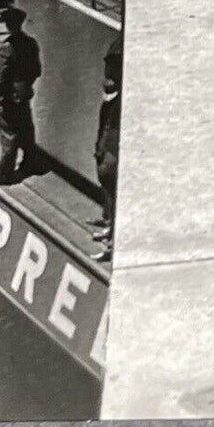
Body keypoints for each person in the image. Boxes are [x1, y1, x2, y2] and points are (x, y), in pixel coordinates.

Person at [0, 5, 43, 185]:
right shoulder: (31, 43)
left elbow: (0, 77)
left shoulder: (7, 47)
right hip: (24, 93)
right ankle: (32, 163)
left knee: (9, 134)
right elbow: (37, 70)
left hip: (9, 97)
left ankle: (4, 174)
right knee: (26, 129)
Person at [92, 36, 122, 261]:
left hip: (112, 152)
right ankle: (109, 228)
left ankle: (112, 247)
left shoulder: (118, 104)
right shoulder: (110, 101)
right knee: (110, 196)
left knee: (115, 198)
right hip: (106, 148)